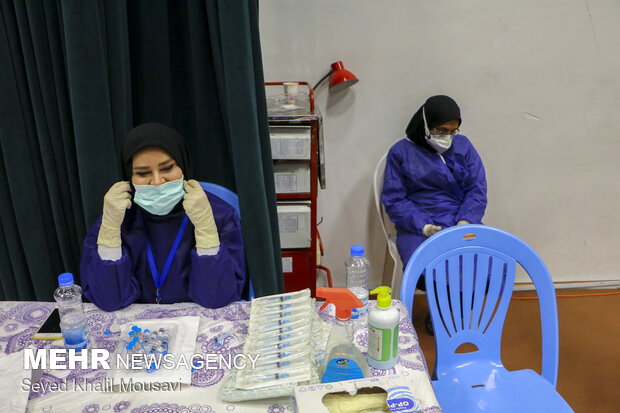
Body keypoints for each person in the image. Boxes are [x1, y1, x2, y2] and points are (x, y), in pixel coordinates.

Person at [80, 123, 245, 311]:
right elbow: (109, 300)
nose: (157, 182)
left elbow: (217, 298)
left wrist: (206, 228)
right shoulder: (117, 216)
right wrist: (110, 229)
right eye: (143, 173)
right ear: (128, 176)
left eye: (167, 169)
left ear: (184, 166)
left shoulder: (219, 215)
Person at [382, 94, 487, 288]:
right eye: (441, 130)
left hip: (459, 219)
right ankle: (441, 313)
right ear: (425, 124)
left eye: (452, 131)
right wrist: (423, 226)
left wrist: (466, 220)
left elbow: (477, 188)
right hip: (419, 223)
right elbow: (395, 199)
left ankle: (455, 315)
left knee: (486, 268)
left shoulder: (463, 146)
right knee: (430, 271)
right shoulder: (400, 152)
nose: (447, 137)